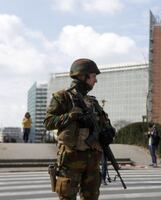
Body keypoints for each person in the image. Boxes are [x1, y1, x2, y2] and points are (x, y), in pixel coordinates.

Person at [44, 58, 114, 200]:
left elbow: (104, 123)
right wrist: (73, 117)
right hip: (71, 158)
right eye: (94, 76)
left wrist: (109, 131)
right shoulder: (62, 97)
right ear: (83, 76)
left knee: (91, 196)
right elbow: (48, 122)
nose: (96, 81)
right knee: (67, 196)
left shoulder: (93, 101)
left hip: (92, 159)